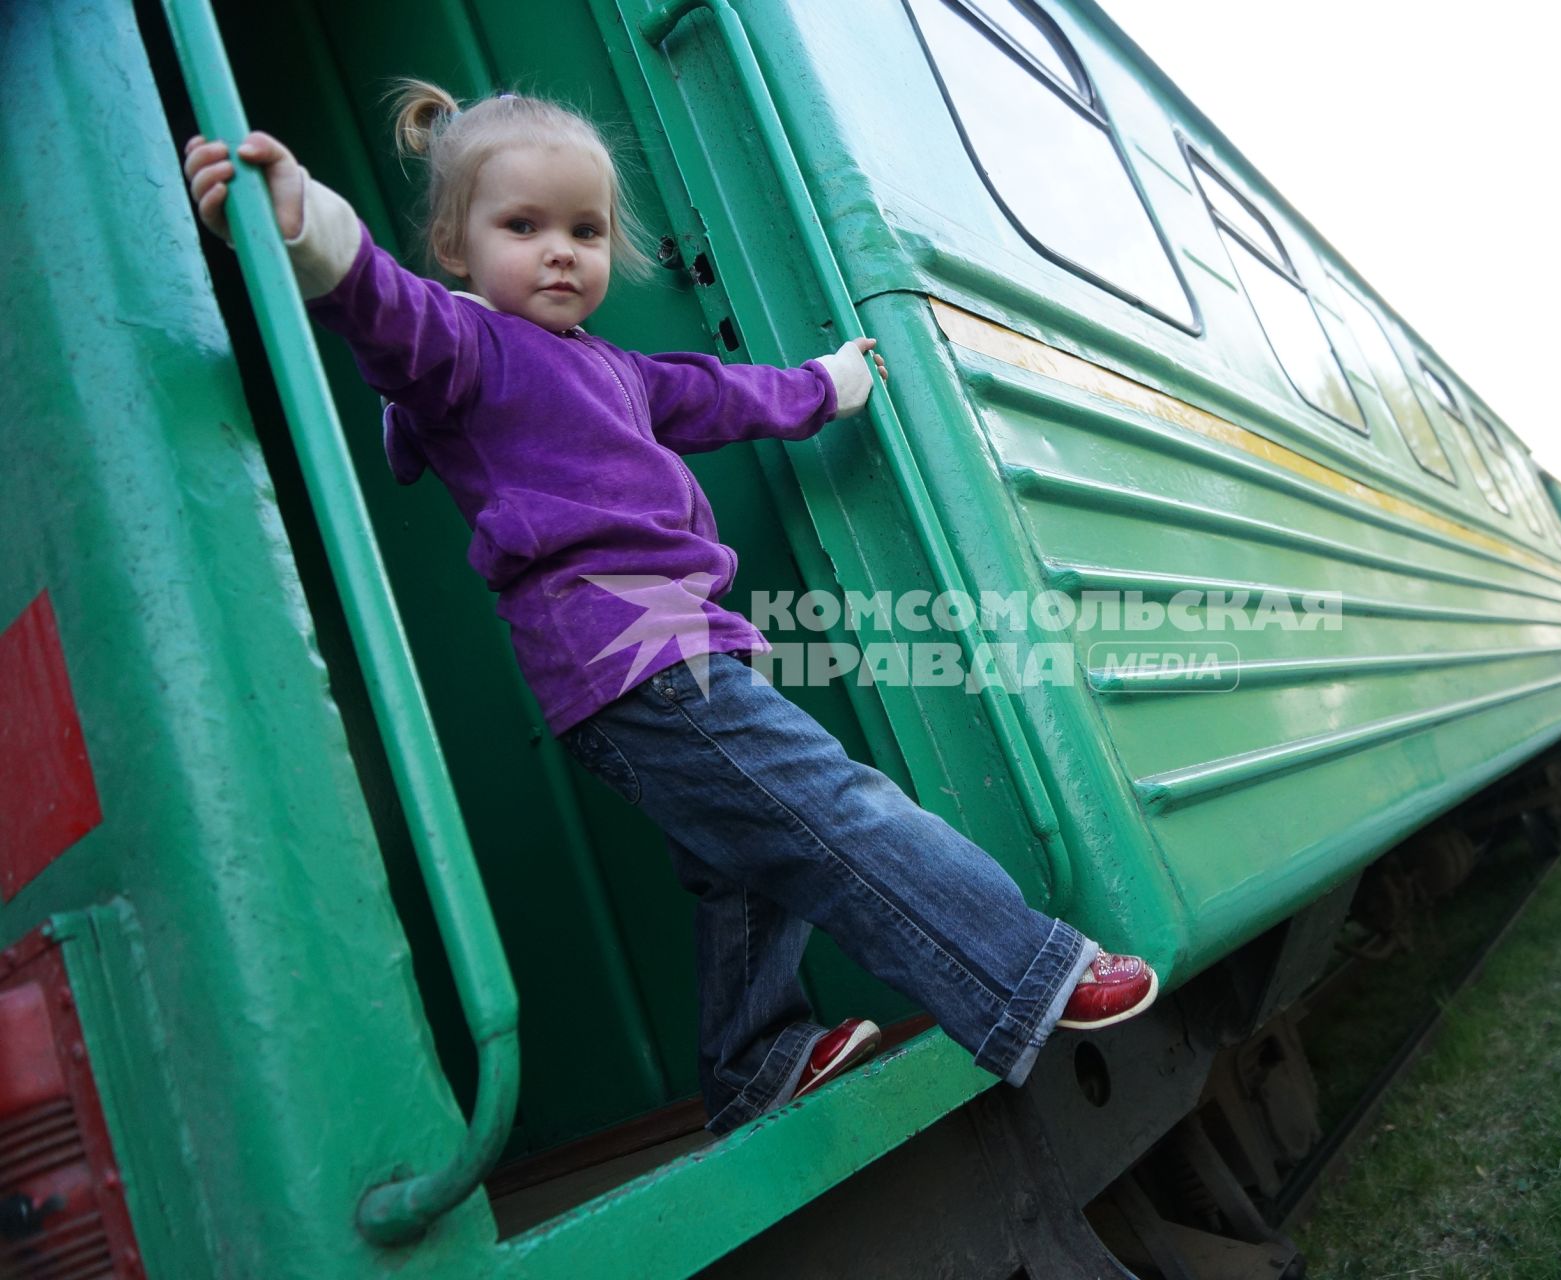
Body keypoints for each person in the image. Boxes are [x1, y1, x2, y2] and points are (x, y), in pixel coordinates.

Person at [181, 84, 1157, 1136]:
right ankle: (1020, 968)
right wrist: (303, 225)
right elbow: (379, 303)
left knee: (744, 859)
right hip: (621, 644)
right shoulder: (463, 348)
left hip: (669, 636)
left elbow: (722, 394)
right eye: (523, 227)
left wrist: (828, 384)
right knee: (834, 803)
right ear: (454, 247)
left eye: (583, 230)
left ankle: (754, 1063)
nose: (559, 251)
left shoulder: (611, 368)